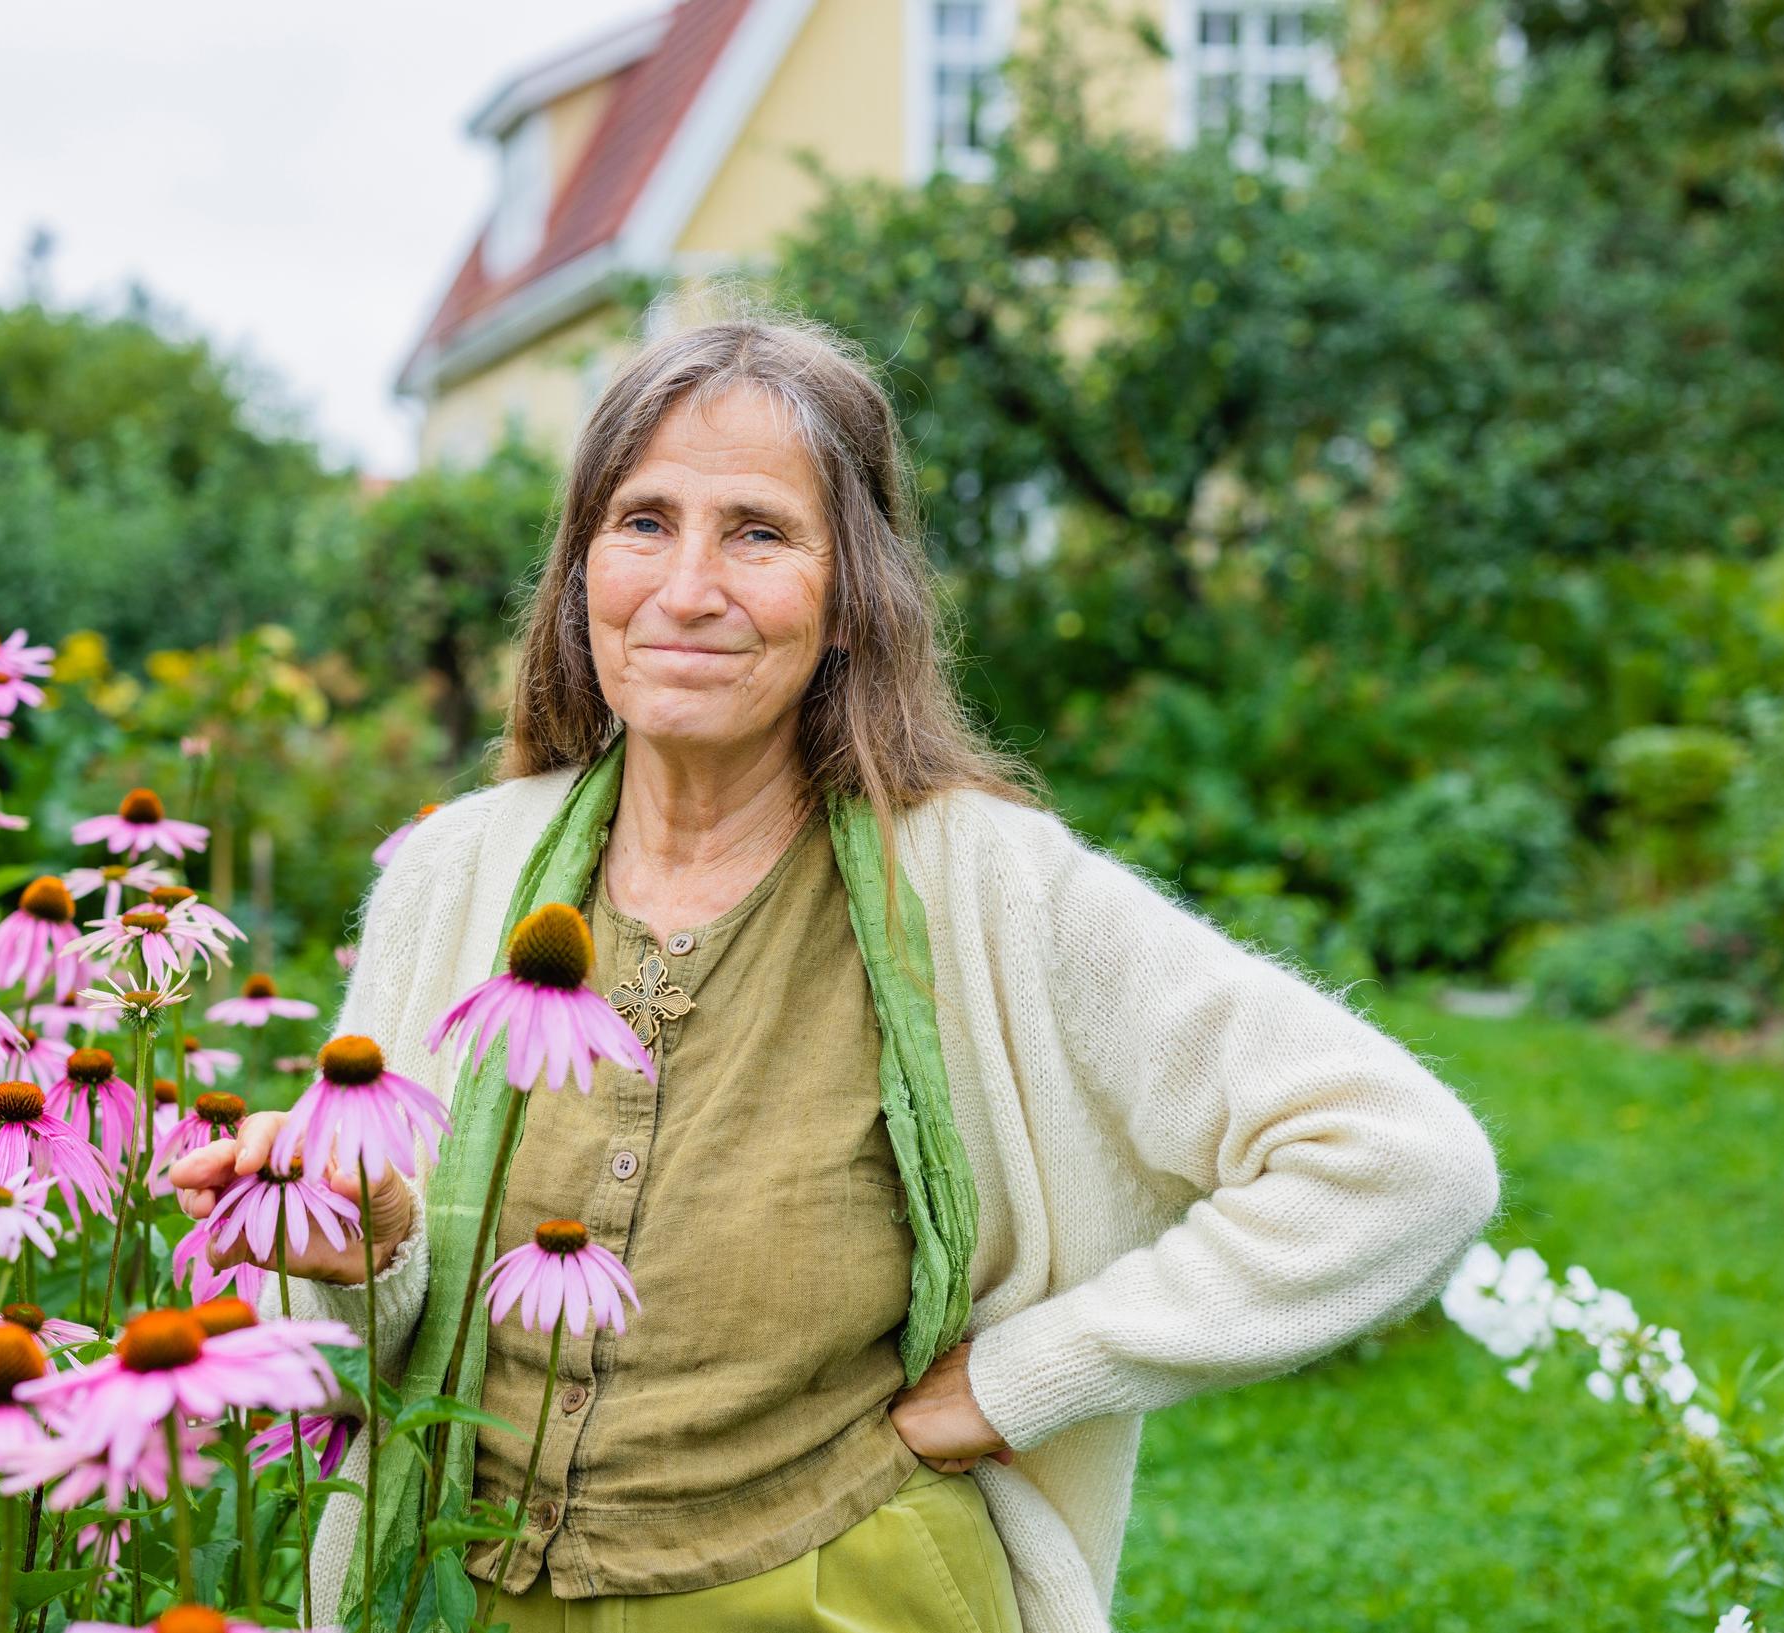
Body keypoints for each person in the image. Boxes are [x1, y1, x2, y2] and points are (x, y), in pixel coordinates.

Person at [170, 316, 1502, 1633]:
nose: (687, 586)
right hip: (455, 1590)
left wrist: (1029, 1377)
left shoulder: (982, 884)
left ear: (853, 597)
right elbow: (364, 1332)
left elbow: (1398, 1158)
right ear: (580, 572)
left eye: (757, 531)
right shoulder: (456, 873)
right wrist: (359, 1246)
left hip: (837, 1592)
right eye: (641, 523)